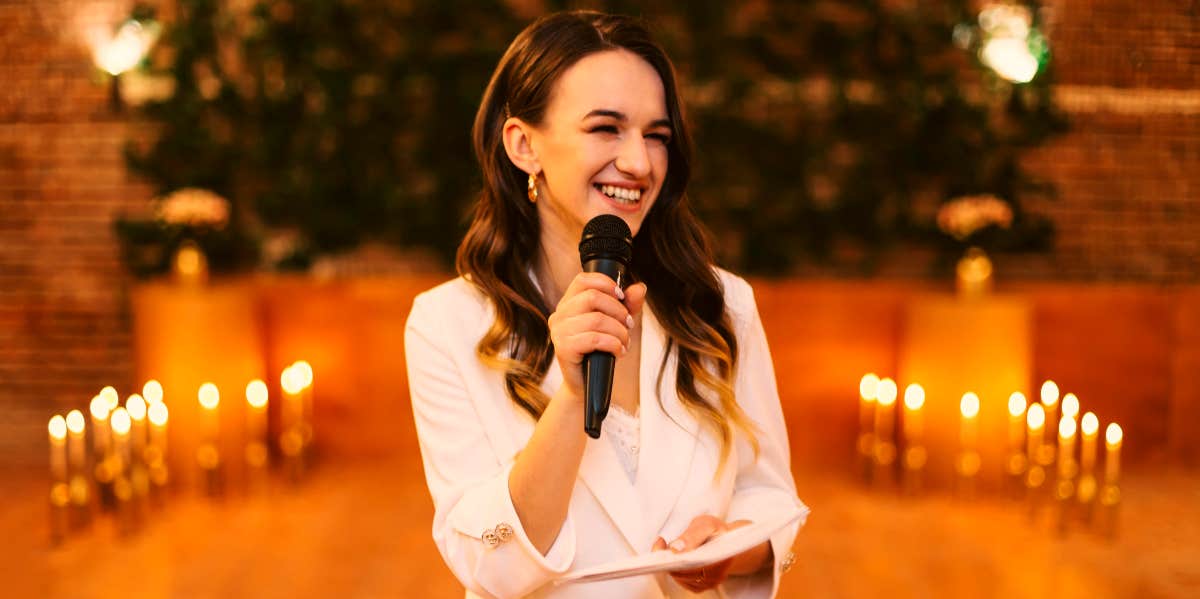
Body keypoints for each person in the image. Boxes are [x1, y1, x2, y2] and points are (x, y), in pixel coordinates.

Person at [404, 10, 807, 598]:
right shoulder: (447, 325)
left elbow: (771, 498)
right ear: (523, 145)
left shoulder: (721, 306)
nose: (640, 163)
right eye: (605, 128)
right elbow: (485, 559)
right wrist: (571, 397)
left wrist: (729, 548)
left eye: (657, 135)